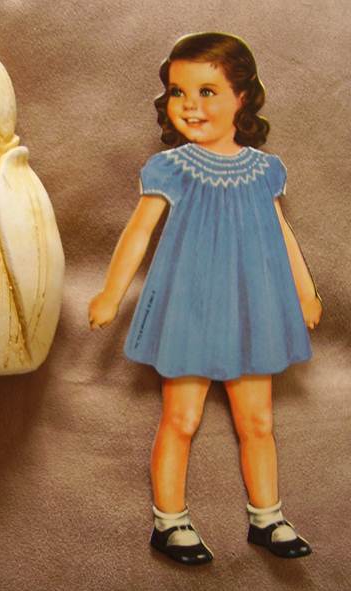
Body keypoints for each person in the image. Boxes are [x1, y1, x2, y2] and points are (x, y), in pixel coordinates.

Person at [88, 32, 322, 565]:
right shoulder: (170, 168)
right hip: (189, 310)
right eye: (178, 92)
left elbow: (281, 232)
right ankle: (169, 522)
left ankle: (268, 517)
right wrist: (109, 294)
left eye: (207, 92)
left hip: (251, 310)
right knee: (181, 418)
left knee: (258, 421)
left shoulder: (265, 170)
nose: (190, 105)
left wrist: (306, 292)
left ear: (243, 98)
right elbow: (138, 234)